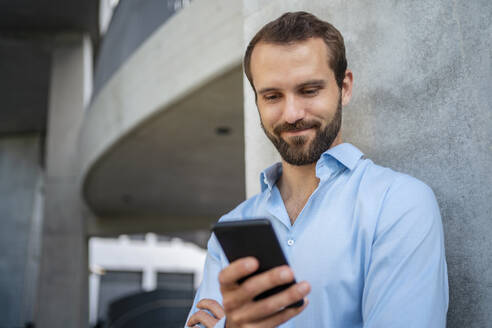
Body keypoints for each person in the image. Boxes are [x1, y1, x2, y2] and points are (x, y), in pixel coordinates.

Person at [186, 11, 448, 328]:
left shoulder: (398, 204)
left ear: (345, 87)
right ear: (256, 100)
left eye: (309, 90)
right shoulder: (231, 227)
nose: (292, 113)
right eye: (272, 96)